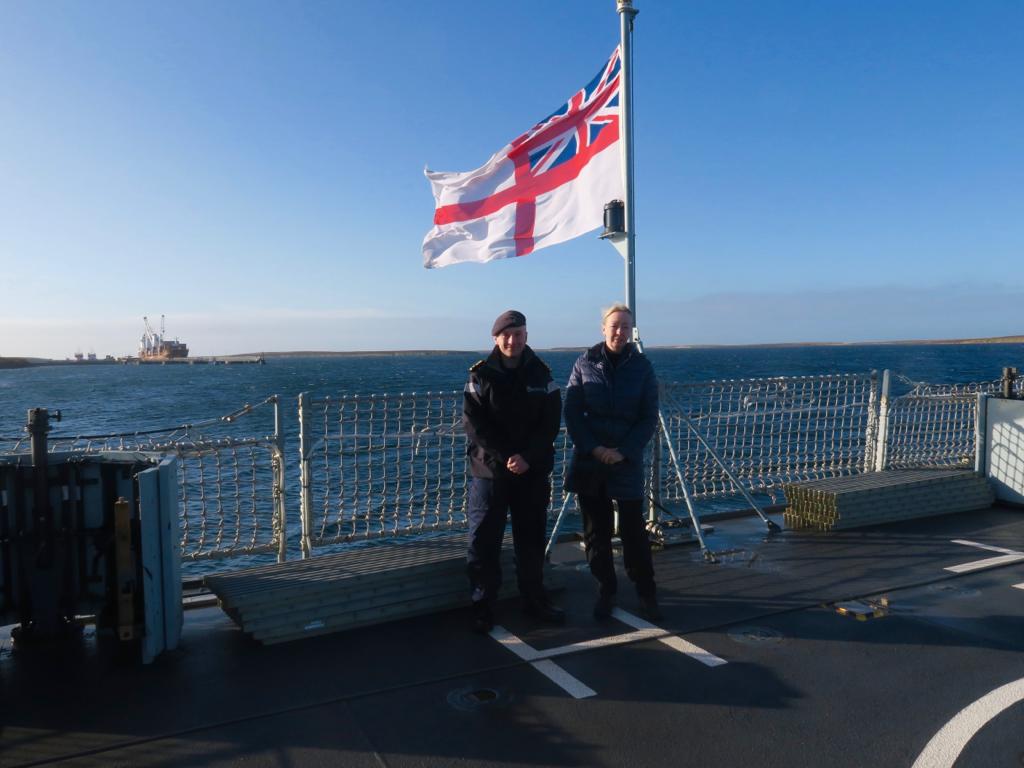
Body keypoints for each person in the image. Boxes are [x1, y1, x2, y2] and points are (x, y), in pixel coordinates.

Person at [463, 310, 565, 633]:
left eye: (519, 334)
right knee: (483, 542)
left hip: (530, 472)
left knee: (531, 540)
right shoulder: (480, 376)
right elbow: (475, 426)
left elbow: (550, 424)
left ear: (526, 336)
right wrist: (508, 456)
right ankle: (483, 606)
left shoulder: (542, 374)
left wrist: (527, 457)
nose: (513, 340)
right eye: (507, 335)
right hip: (490, 472)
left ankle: (535, 600)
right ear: (496, 338)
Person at [563, 304, 662, 622]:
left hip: (625, 461)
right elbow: (573, 411)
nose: (619, 332)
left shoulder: (642, 367)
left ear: (632, 330)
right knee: (596, 532)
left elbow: (648, 416)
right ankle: (606, 588)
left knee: (634, 532)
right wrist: (594, 448)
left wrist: (625, 450)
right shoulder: (584, 363)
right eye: (614, 325)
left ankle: (646, 592)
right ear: (603, 328)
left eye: (625, 326)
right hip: (591, 461)